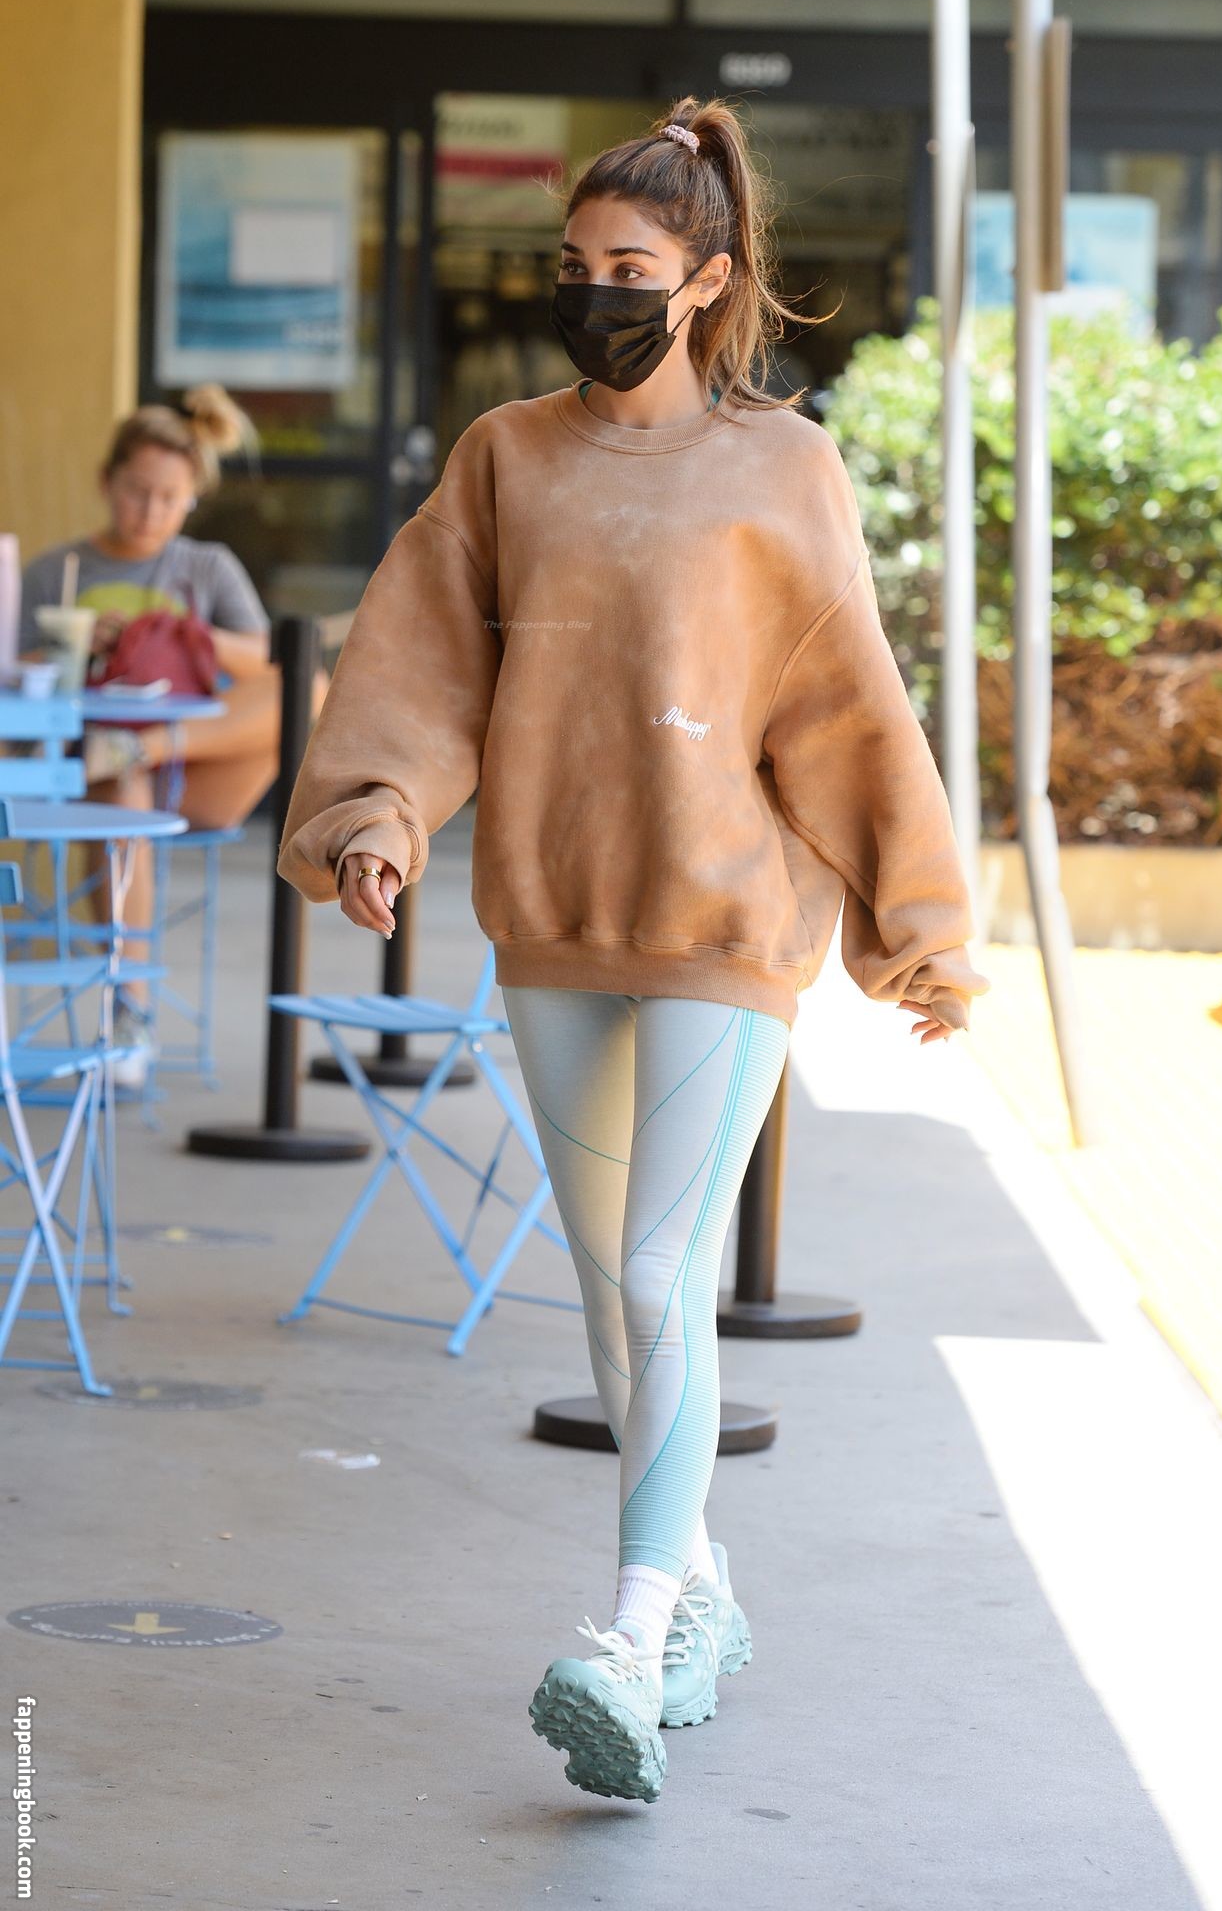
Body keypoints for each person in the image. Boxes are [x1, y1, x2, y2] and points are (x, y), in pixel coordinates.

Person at [275, 97, 991, 1805]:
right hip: (551, 923)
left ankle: (628, 1626)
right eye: (574, 261)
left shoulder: (782, 468)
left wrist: (921, 935)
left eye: (629, 265)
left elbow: (849, 711)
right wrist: (379, 817)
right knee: (614, 1288)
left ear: (707, 280)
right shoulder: (505, 457)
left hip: (725, 932)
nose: (593, 290)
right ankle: (705, 1602)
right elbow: (420, 667)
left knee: (663, 1274)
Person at [19, 384, 325, 1084]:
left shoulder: (204, 567)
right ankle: (131, 1012)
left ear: (192, 499)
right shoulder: (56, 572)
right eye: (138, 492)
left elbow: (271, 663)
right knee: (120, 791)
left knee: (308, 689)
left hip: (194, 773)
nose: (151, 510)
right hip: (94, 776)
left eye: (170, 498)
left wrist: (194, 636)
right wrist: (77, 648)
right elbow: (15, 675)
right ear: (106, 482)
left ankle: (145, 748)